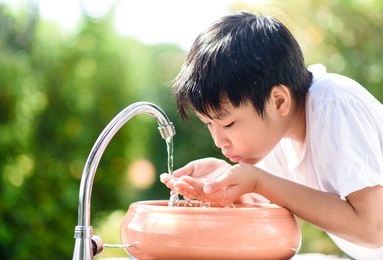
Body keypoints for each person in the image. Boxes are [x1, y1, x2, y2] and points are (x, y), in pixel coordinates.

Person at [160, 11, 383, 259]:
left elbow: (373, 228)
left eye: (229, 124)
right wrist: (224, 184)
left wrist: (259, 181)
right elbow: (268, 199)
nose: (218, 141)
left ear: (278, 101)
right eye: (208, 124)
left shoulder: (334, 103)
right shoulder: (278, 138)